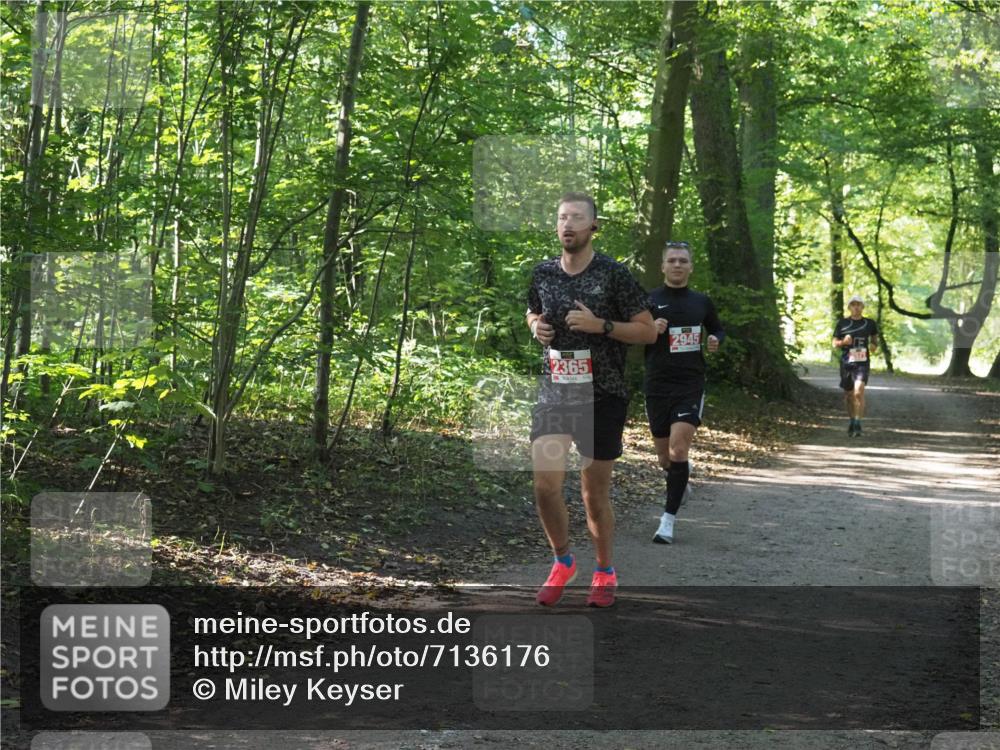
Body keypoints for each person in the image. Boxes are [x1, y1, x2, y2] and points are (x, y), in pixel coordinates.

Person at [526, 192, 656, 607]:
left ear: (593, 226)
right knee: (545, 486)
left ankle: (604, 569)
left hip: (604, 395)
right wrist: (536, 328)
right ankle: (563, 561)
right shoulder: (543, 274)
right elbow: (532, 311)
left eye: (577, 218)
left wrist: (600, 325)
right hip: (555, 392)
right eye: (562, 217)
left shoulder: (614, 275)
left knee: (592, 494)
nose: (568, 225)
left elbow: (648, 331)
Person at [645, 241, 724, 545]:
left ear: (691, 267)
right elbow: (631, 335)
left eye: (683, 261)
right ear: (663, 266)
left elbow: (718, 329)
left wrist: (716, 338)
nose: (677, 265)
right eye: (672, 261)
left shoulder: (701, 302)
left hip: (690, 383)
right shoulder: (648, 301)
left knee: (679, 449)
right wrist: (651, 328)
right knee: (666, 460)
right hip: (657, 385)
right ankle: (681, 476)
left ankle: (667, 522)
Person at [832, 295, 879, 437]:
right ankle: (852, 421)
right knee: (848, 395)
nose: (856, 307)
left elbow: (874, 339)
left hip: (862, 362)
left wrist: (873, 345)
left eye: (859, 304)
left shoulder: (869, 323)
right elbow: (834, 343)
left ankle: (858, 423)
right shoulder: (842, 323)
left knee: (858, 391)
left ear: (863, 307)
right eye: (853, 304)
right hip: (846, 362)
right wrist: (843, 342)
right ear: (849, 307)